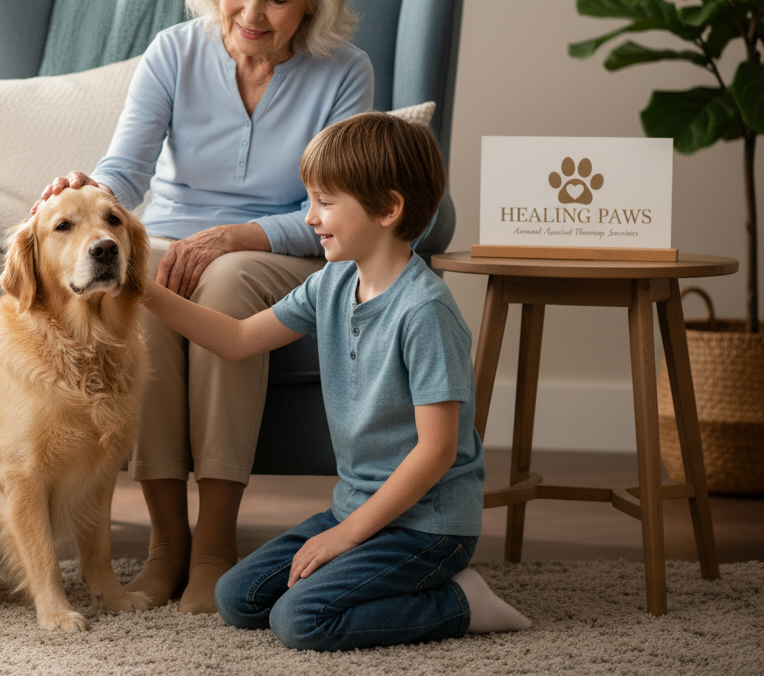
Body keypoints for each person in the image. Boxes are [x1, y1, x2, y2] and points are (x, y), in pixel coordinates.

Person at [33, 0, 375, 614]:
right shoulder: (174, 51)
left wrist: (242, 234)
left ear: (314, 2)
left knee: (223, 282)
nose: (252, 12)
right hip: (174, 244)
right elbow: (125, 173)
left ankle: (215, 544)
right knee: (145, 288)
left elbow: (338, 206)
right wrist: (85, 188)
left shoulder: (345, 72)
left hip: (285, 249)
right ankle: (167, 547)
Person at [143, 113, 531, 649]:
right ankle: (391, 579)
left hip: (429, 529)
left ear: (388, 209)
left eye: (325, 202)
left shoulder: (425, 312)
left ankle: (460, 601)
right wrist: (141, 291)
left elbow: (437, 451)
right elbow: (235, 339)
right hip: (356, 507)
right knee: (238, 596)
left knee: (301, 620)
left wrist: (343, 538)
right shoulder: (331, 282)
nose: (308, 218)